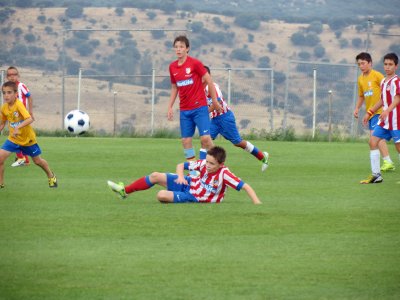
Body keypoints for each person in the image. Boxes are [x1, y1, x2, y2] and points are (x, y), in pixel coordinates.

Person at [107, 146, 261, 204]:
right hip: (189, 183)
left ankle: (177, 196)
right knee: (155, 175)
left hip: (194, 197)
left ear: (220, 165)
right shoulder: (202, 164)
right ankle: (124, 191)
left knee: (161, 195)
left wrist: (257, 204)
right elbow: (181, 165)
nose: (207, 166)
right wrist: (181, 177)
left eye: (211, 164)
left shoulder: (225, 174)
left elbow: (246, 186)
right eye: (207, 162)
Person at [167, 35, 222, 165]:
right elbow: (174, 87)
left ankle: (220, 165)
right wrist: (170, 106)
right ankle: (194, 172)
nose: (178, 49)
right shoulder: (172, 67)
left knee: (205, 139)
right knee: (186, 141)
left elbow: (209, 80)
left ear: (187, 48)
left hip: (199, 108)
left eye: (181, 47)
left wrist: (214, 101)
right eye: (176, 47)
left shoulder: (195, 63)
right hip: (185, 110)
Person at [202, 66, 269, 171]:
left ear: (209, 76)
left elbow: (218, 102)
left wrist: (204, 113)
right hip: (214, 120)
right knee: (205, 140)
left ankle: (262, 156)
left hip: (225, 118)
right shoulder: (201, 89)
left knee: (238, 142)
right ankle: (204, 170)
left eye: (203, 75)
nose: (201, 77)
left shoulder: (212, 86)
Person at [0, 81, 57, 189]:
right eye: (4, 93)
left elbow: (30, 118)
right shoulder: (4, 108)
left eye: (9, 92)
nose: (6, 95)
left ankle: (51, 175)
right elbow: (2, 123)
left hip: (27, 140)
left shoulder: (18, 105)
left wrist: (18, 127)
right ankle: (1, 183)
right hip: (13, 139)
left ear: (16, 94)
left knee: (37, 161)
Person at [360, 53, 400, 184]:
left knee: (399, 147)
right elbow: (382, 100)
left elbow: (397, 98)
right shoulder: (383, 81)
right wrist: (369, 112)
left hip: (396, 121)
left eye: (390, 64)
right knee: (372, 142)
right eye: (385, 64)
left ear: (396, 66)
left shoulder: (396, 81)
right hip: (385, 121)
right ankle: (377, 176)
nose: (387, 67)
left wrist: (388, 111)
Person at [354, 53, 395, 172]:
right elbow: (362, 96)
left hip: (380, 111)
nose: (361, 66)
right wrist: (357, 108)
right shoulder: (360, 79)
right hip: (371, 113)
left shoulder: (377, 75)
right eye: (359, 64)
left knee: (375, 136)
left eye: (363, 63)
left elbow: (388, 89)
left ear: (370, 63)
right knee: (378, 137)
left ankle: (387, 162)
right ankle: (388, 161)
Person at [6, 66, 34, 167]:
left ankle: (22, 158)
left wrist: (30, 112)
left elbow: (29, 96)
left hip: (22, 116)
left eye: (14, 74)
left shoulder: (21, 85)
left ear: (18, 76)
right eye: (9, 75)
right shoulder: (8, 88)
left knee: (16, 135)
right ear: (7, 77)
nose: (12, 77)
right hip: (13, 116)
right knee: (17, 135)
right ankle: (23, 158)